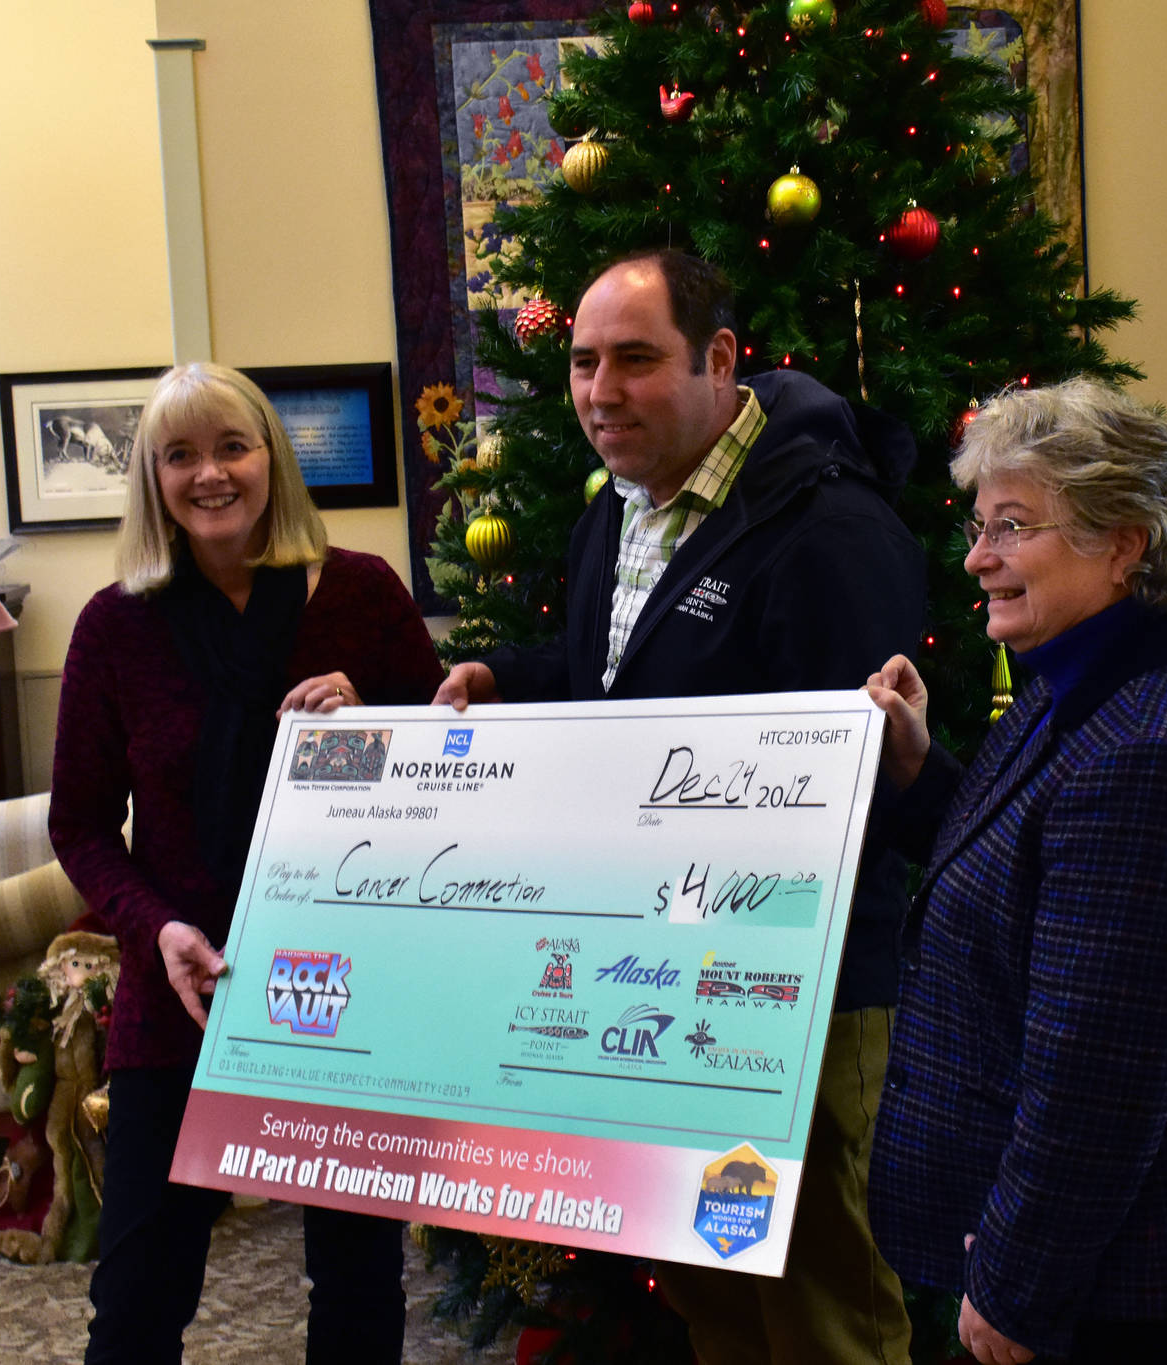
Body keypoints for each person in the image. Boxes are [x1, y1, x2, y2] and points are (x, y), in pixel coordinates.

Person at [436, 248, 924, 1365]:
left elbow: (861, 783)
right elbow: (617, 675)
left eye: (635, 361)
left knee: (819, 1306)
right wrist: (505, 677)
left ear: (718, 360)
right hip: (663, 984)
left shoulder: (830, 531)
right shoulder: (618, 512)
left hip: (798, 995)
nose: (600, 393)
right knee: (716, 1290)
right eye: (581, 362)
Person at [863, 378, 1167, 1365]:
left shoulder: (1137, 754)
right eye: (979, 526)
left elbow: (1096, 1080)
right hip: (1120, 1244)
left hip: (1141, 1266)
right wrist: (912, 765)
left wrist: (1019, 1289)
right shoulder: (1087, 680)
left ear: (1123, 545)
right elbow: (1025, 879)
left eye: (1011, 527)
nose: (977, 558)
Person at [50, 361, 445, 1365]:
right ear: (151, 478)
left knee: (356, 1283)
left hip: (341, 983)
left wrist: (374, 727)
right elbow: (82, 825)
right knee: (139, 1291)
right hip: (183, 986)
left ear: (271, 458)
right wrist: (157, 930)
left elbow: (454, 778)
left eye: (231, 446)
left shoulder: (358, 594)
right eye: (180, 455)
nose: (209, 474)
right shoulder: (114, 626)